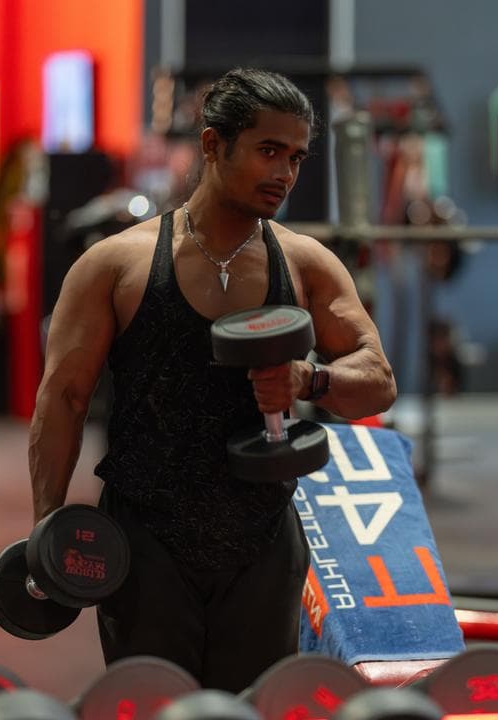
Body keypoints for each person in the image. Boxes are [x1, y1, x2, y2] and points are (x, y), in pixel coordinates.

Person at [28, 68, 397, 692]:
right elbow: (62, 399)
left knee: (253, 710)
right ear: (212, 145)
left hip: (262, 543)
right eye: (269, 151)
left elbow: (377, 380)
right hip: (146, 541)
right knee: (153, 708)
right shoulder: (116, 264)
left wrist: (308, 380)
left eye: (297, 157)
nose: (285, 172)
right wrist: (48, 530)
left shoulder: (305, 262)